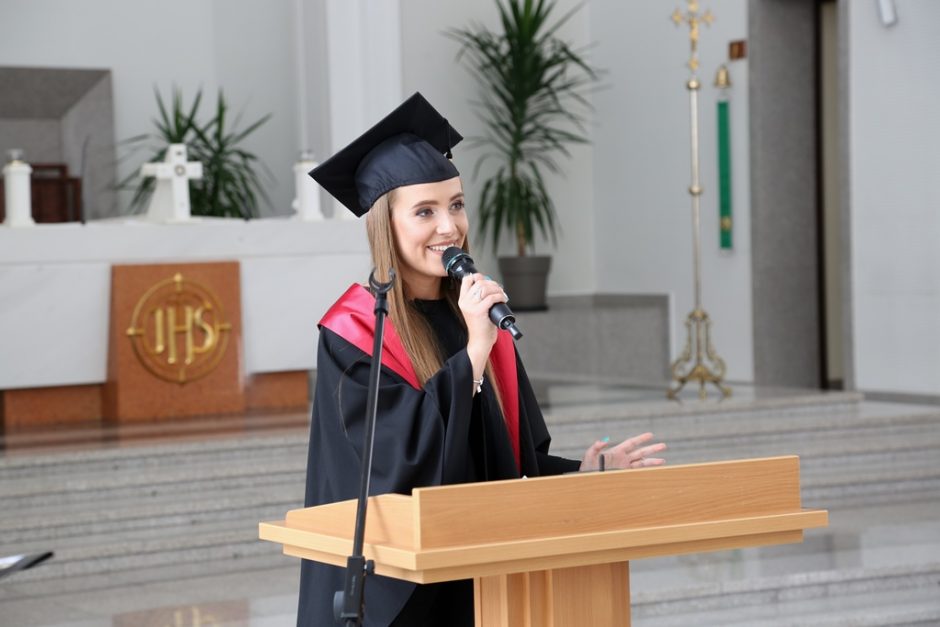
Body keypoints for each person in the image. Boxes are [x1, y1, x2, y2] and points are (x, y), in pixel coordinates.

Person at [297, 93, 667, 627]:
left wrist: (578, 475)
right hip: (400, 597)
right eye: (425, 211)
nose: (449, 227)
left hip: (485, 586)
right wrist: (471, 355)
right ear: (385, 225)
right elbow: (395, 470)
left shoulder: (482, 320)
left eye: (455, 204)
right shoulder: (358, 332)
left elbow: (505, 467)